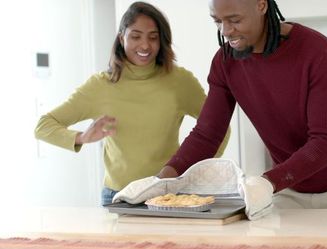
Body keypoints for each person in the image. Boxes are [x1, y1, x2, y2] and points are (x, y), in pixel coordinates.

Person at [154, 0, 327, 219]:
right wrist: (161, 181)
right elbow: (207, 134)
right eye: (218, 21)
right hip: (289, 192)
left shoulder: (316, 50)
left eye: (235, 20)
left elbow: (324, 142)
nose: (225, 31)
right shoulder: (225, 62)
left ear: (261, 5)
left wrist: (267, 182)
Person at [34, 1, 228, 206]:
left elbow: (218, 129)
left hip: (169, 195)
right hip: (118, 196)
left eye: (153, 37)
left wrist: (193, 172)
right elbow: (43, 126)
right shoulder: (101, 86)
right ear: (121, 38)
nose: (145, 45)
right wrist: (81, 137)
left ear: (161, 41)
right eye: (135, 36)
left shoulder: (180, 81)